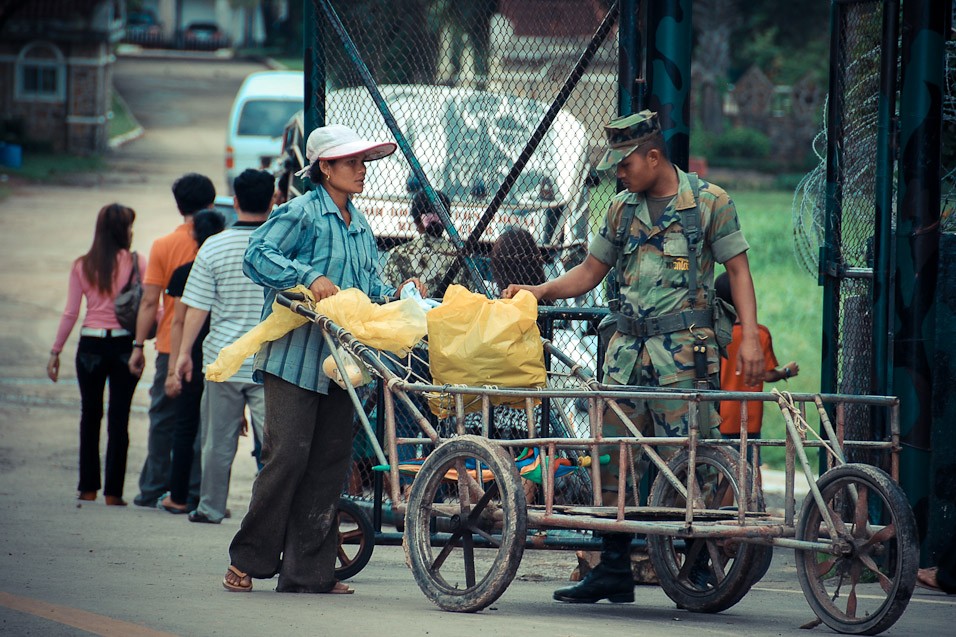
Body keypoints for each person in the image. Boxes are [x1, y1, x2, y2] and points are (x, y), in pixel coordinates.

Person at [502, 110, 763, 604]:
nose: (619, 175)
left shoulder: (709, 204)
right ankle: (612, 569)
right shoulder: (622, 210)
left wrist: (749, 337)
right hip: (626, 356)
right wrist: (537, 290)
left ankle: (698, 565)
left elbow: (739, 271)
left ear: (653, 156)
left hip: (683, 359)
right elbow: (589, 272)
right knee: (612, 458)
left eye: (625, 165)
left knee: (688, 460)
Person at [223, 124, 423, 594]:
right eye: (351, 163)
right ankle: (248, 560)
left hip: (343, 366)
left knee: (331, 463)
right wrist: (307, 275)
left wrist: (397, 296)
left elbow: (369, 287)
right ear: (324, 168)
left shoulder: (361, 223)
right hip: (294, 361)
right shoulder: (301, 211)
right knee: (286, 458)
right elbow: (257, 255)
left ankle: (307, 573)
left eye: (364, 163)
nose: (361, 171)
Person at [174, 168, 274, 524]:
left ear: (234, 202)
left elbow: (196, 309)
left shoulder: (213, 245)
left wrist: (183, 355)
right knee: (274, 446)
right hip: (270, 361)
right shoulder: (279, 244)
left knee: (217, 442)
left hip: (222, 361)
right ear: (274, 200)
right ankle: (270, 512)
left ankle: (210, 507)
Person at [48, 203, 146, 506]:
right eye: (130, 226)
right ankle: (113, 493)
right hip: (123, 346)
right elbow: (149, 305)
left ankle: (88, 487)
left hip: (89, 345)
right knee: (120, 418)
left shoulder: (83, 264)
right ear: (123, 230)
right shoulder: (136, 261)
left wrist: (56, 351)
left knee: (89, 416)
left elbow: (70, 312)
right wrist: (141, 345)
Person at [128, 173, 215, 508]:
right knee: (199, 421)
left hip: (169, 345)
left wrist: (138, 345)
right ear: (211, 202)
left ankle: (152, 487)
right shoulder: (215, 240)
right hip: (208, 346)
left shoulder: (163, 245)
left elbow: (150, 302)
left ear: (179, 206)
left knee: (164, 419)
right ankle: (192, 490)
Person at [156, 210, 227, 513]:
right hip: (220, 356)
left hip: (191, 354)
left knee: (184, 427)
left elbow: (178, 321)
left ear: (195, 237)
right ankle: (211, 499)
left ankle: (179, 496)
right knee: (215, 432)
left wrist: (174, 364)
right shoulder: (229, 266)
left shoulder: (185, 271)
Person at [714, 271, 798, 468]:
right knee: (750, 467)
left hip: (719, 415)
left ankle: (724, 501)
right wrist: (786, 372)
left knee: (724, 468)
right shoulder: (759, 334)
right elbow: (767, 375)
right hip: (749, 417)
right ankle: (754, 500)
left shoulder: (715, 335)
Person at [381, 189, 470, 296]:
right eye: (430, 212)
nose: (434, 217)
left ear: (416, 219)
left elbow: (387, 294)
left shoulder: (398, 254)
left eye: (438, 213)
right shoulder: (460, 256)